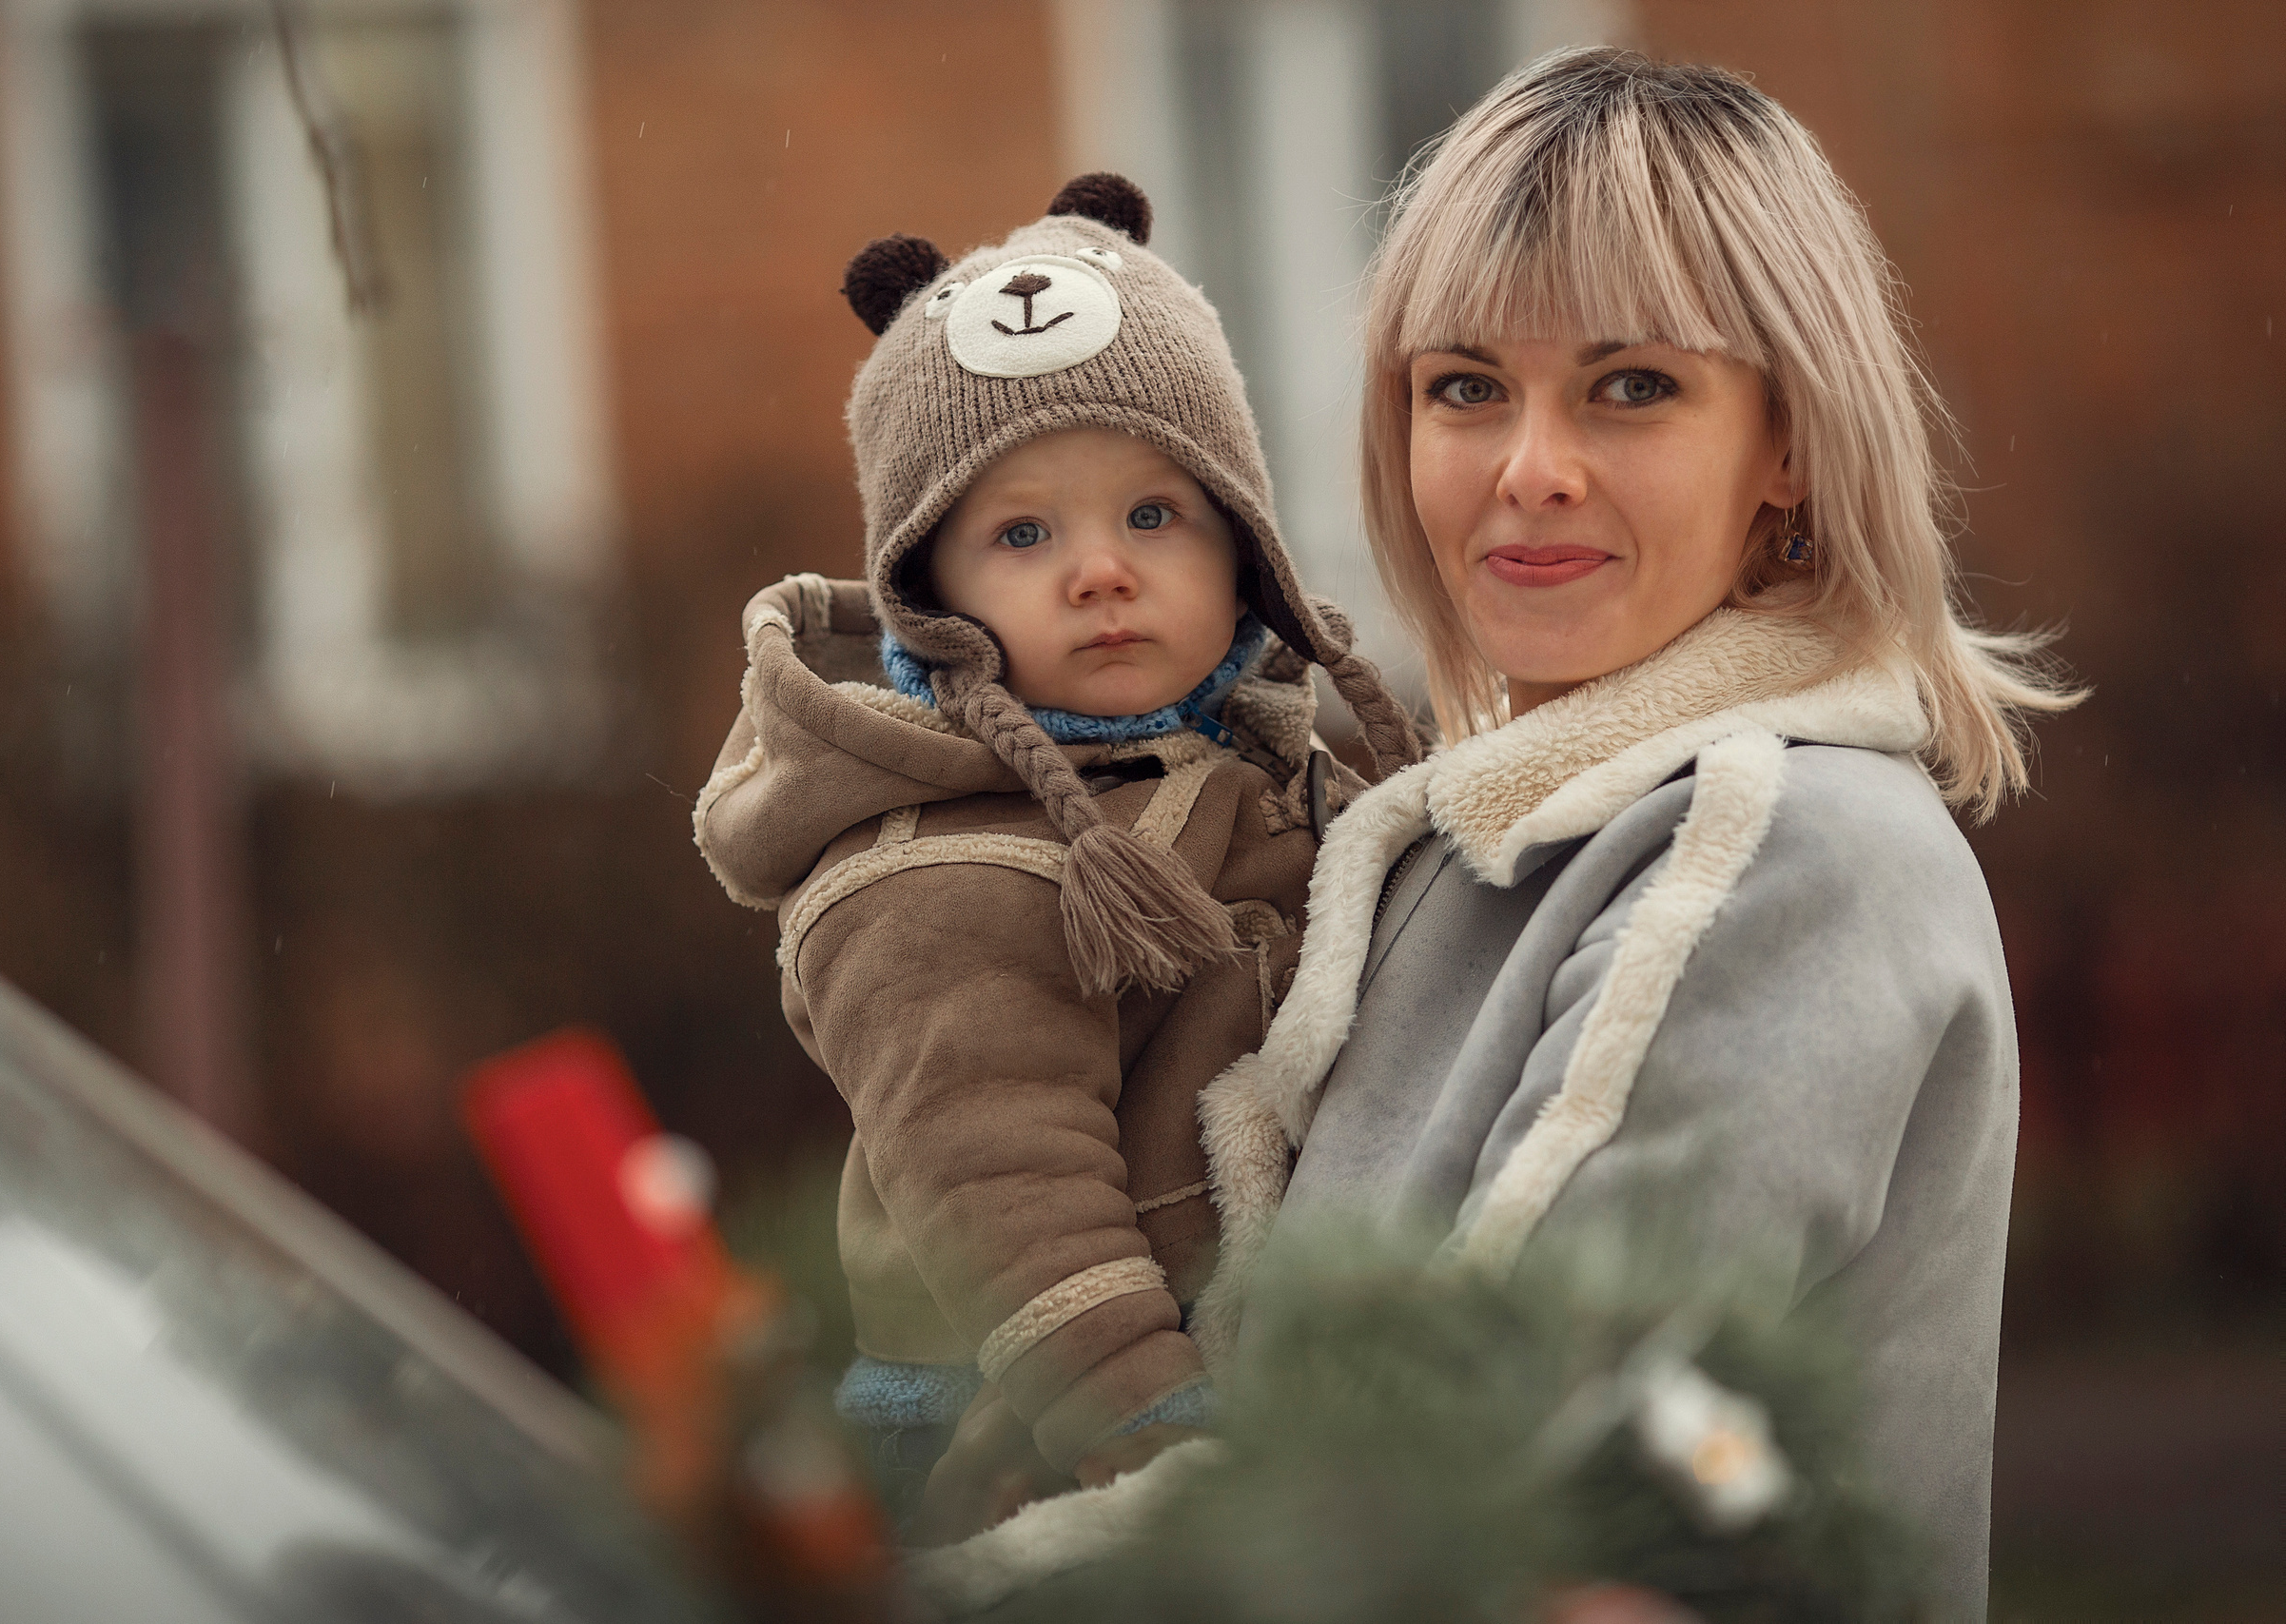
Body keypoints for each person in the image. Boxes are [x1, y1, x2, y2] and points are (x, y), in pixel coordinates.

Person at [1180, 49, 2080, 1622]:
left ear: (1787, 441)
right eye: (1465, 387)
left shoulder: (1781, 848)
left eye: (1633, 386)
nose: (1530, 468)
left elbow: (1488, 1493)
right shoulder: (1489, 831)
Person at [692, 174, 1419, 1534]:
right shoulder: (932, 871)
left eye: (1155, 516)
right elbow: (997, 1177)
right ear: (932, 598)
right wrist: (1145, 1421)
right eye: (1024, 534)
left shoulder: (1245, 761)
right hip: (1025, 1422)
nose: (1101, 571)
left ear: (1246, 552)